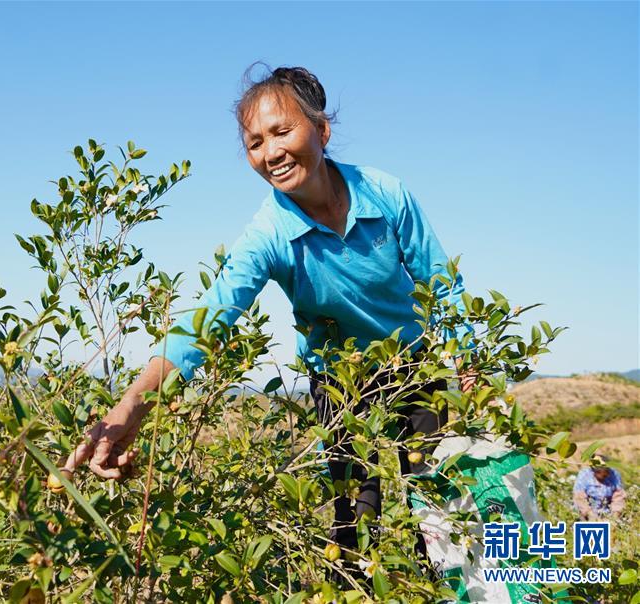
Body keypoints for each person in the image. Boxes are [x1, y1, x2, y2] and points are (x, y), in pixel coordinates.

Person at [65, 65, 474, 574]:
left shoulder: (385, 193)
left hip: (416, 368)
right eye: (255, 142)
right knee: (354, 515)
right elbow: (207, 319)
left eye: (282, 132)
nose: (271, 153)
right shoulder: (269, 234)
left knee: (433, 502)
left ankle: (435, 584)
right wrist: (130, 407)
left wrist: (469, 364)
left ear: (321, 131)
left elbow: (440, 280)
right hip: (341, 379)